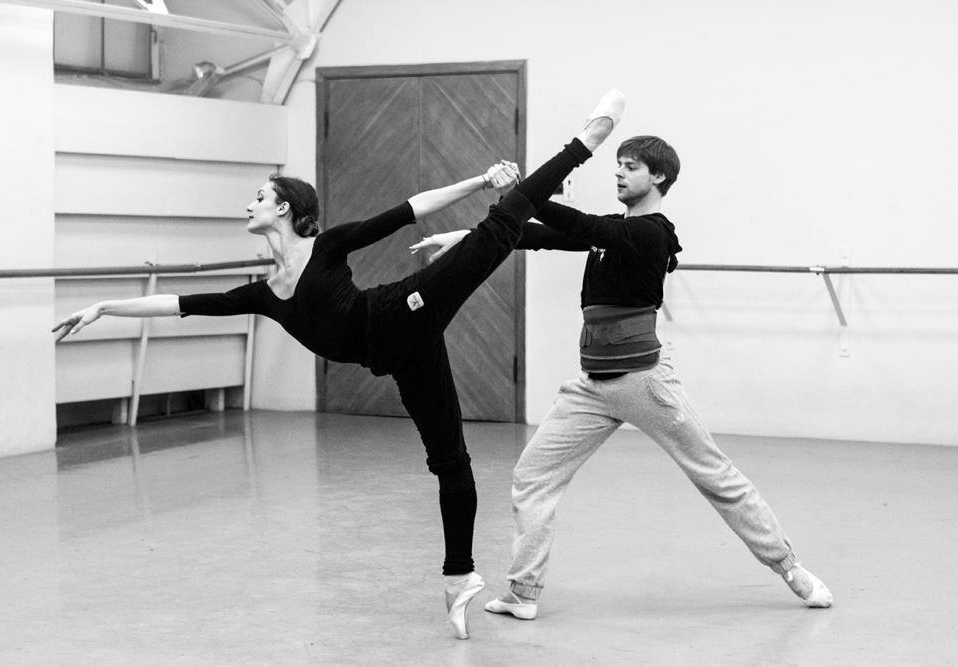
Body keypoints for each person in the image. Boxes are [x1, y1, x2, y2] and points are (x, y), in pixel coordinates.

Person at [52, 89, 628, 639]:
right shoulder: (262, 293)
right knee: (449, 459)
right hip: (402, 356)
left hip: (401, 311)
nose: (248, 204)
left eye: (258, 196)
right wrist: (105, 305)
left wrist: (481, 179)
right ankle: (460, 577)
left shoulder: (326, 246)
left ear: (283, 208)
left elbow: (410, 209)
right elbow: (178, 304)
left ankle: (587, 138)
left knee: (502, 223)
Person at [411, 134, 833, 622]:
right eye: (617, 165)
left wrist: (528, 190)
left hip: (643, 383)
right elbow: (534, 234)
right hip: (591, 387)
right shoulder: (611, 229)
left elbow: (577, 223)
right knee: (532, 475)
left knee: (715, 475)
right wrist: (461, 237)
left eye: (630, 167)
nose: (618, 173)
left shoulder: (651, 233)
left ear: (658, 177)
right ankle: (523, 592)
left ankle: (791, 569)